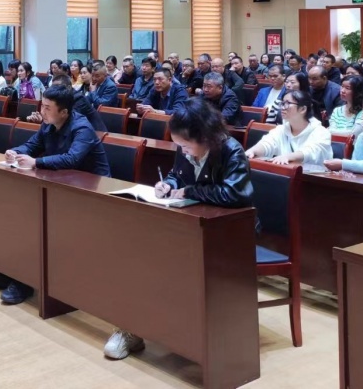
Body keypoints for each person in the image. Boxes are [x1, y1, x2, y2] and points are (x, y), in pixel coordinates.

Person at [105, 98, 255, 361]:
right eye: (179, 146)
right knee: (135, 255)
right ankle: (132, 326)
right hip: (187, 224)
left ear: (205, 137)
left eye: (186, 145)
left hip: (228, 235)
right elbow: (177, 174)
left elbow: (235, 194)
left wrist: (189, 191)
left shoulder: (231, 150)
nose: (183, 151)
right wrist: (169, 184)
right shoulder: (185, 148)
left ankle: (181, 333)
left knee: (163, 263)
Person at [0, 86, 111, 304]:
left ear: (64, 112)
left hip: (91, 195)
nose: (42, 111)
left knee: (33, 222)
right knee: (13, 214)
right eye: (42, 106)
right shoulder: (48, 125)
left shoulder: (82, 128)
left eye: (48, 108)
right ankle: (7, 270)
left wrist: (36, 162)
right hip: (63, 186)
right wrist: (16, 152)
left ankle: (24, 280)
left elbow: (71, 159)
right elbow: (32, 145)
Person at [245, 90, 331, 166]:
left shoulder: (321, 132)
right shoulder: (280, 130)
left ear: (303, 109)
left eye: (287, 104)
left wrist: (288, 157)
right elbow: (267, 144)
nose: (282, 108)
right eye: (282, 103)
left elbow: (311, 152)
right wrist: (253, 151)